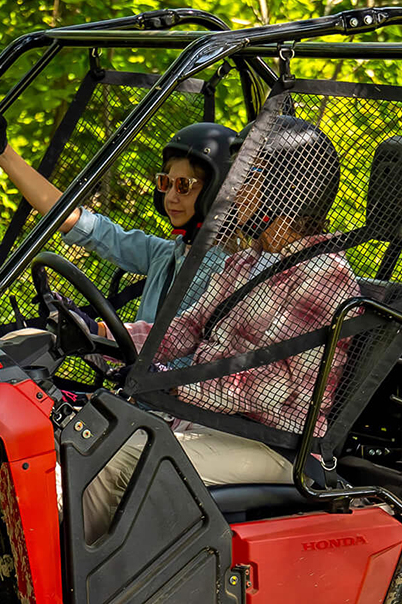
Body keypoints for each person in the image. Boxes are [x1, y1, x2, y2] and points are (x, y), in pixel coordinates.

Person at [81, 114, 361, 543]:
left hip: (272, 444)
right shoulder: (247, 260)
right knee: (82, 437)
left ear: (280, 190)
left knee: (122, 460)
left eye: (244, 179)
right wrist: (100, 334)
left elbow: (275, 388)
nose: (230, 191)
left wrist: (178, 386)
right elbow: (184, 330)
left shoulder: (323, 274)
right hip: (205, 421)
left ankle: (79, 592)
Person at [0, 108, 237, 324]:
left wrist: (95, 330)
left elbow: (184, 349)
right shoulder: (165, 255)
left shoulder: (229, 271)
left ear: (216, 191)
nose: (172, 197)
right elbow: (75, 220)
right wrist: (3, 153)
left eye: (184, 186)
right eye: (166, 183)